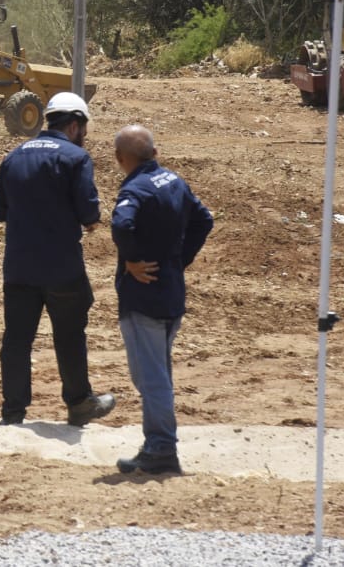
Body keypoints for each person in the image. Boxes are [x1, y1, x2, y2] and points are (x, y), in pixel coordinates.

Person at [0, 91, 115, 428]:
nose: (85, 137)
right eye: (84, 131)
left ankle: (12, 413)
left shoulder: (13, 156)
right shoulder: (75, 158)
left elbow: (0, 212)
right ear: (75, 125)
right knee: (69, 336)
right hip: (62, 267)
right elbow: (89, 212)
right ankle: (78, 404)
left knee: (16, 339)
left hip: (18, 266)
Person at [110, 124, 213, 475]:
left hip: (145, 297)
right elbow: (204, 219)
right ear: (154, 154)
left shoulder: (135, 190)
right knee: (159, 374)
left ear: (121, 159)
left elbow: (122, 226)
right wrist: (180, 259)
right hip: (171, 290)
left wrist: (132, 260)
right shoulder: (174, 181)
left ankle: (161, 449)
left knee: (150, 377)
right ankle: (158, 443)